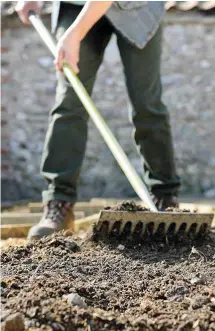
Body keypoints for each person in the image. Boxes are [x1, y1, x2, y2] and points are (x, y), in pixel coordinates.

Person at [16, 1, 181, 240]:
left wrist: (74, 34)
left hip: (138, 7)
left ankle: (165, 197)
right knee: (69, 103)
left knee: (147, 105)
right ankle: (59, 203)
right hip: (76, 5)